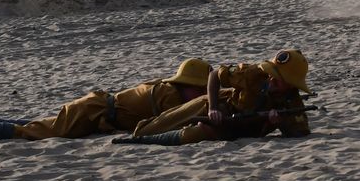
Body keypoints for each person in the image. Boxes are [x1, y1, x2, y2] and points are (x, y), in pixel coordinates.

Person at [0, 57, 213, 143]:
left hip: (95, 110)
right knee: (33, 132)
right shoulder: (170, 97)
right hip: (92, 111)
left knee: (41, 124)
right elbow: (167, 123)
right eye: (199, 90)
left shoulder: (166, 87)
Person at [118, 49, 313, 147]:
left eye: (279, 79)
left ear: (291, 84)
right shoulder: (251, 74)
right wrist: (212, 107)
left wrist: (279, 122)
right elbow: (214, 76)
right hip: (216, 106)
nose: (272, 79)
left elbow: (299, 131)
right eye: (272, 74)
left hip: (230, 130)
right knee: (145, 130)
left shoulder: (292, 102)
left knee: (194, 135)